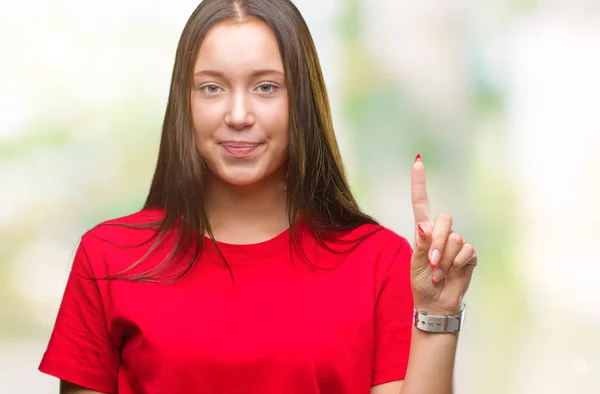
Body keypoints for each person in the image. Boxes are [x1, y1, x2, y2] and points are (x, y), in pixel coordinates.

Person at [39, 1, 478, 393]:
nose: (238, 115)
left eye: (266, 87)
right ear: (183, 103)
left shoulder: (378, 262)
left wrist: (439, 313)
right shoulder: (109, 258)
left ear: (302, 100)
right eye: (211, 87)